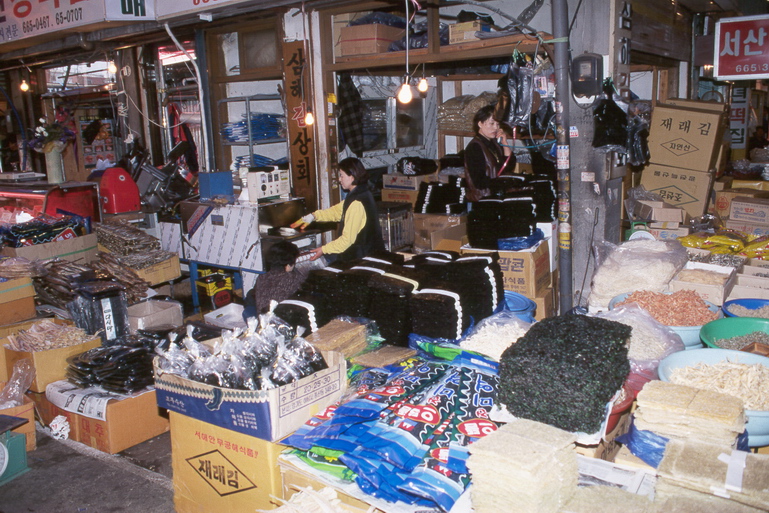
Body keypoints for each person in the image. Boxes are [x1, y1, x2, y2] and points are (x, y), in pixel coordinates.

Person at [291, 157, 384, 262]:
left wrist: (323, 249)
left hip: (363, 259)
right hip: (367, 255)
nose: (339, 179)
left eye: (341, 175)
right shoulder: (360, 194)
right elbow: (336, 212)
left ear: (351, 177)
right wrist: (313, 216)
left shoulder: (356, 203)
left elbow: (346, 241)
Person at [464, 104, 517, 202]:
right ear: (480, 124)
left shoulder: (494, 143)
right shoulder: (475, 147)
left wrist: (505, 143)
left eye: (497, 124)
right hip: (484, 198)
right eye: (491, 123)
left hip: (497, 195)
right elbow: (479, 181)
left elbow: (509, 166)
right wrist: (503, 183)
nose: (495, 128)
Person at [243, 240, 307, 318]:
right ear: (288, 265)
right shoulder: (293, 278)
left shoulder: (262, 277)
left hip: (261, 317)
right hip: (280, 319)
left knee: (251, 293)